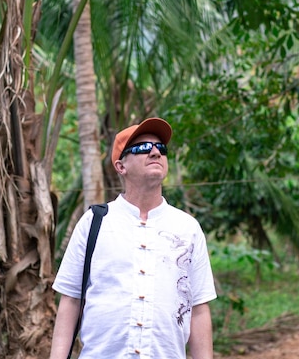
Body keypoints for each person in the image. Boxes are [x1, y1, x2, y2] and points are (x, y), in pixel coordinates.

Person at [50, 117, 217, 359]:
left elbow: (199, 309)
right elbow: (70, 301)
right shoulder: (94, 223)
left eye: (161, 148)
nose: (154, 152)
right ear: (121, 166)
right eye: (142, 148)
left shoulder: (187, 227)